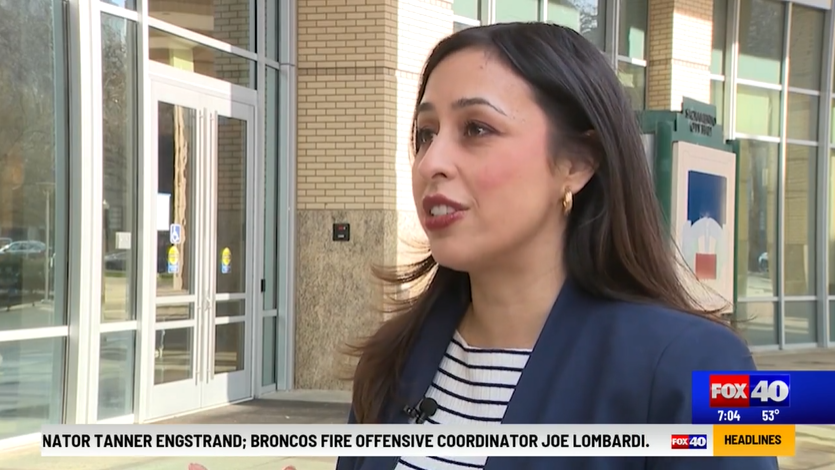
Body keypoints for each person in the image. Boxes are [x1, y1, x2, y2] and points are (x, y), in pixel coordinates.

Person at [336, 22, 778, 470]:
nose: (431, 162)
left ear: (577, 162)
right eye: (426, 134)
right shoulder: (391, 358)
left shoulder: (703, 367)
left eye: (476, 129)